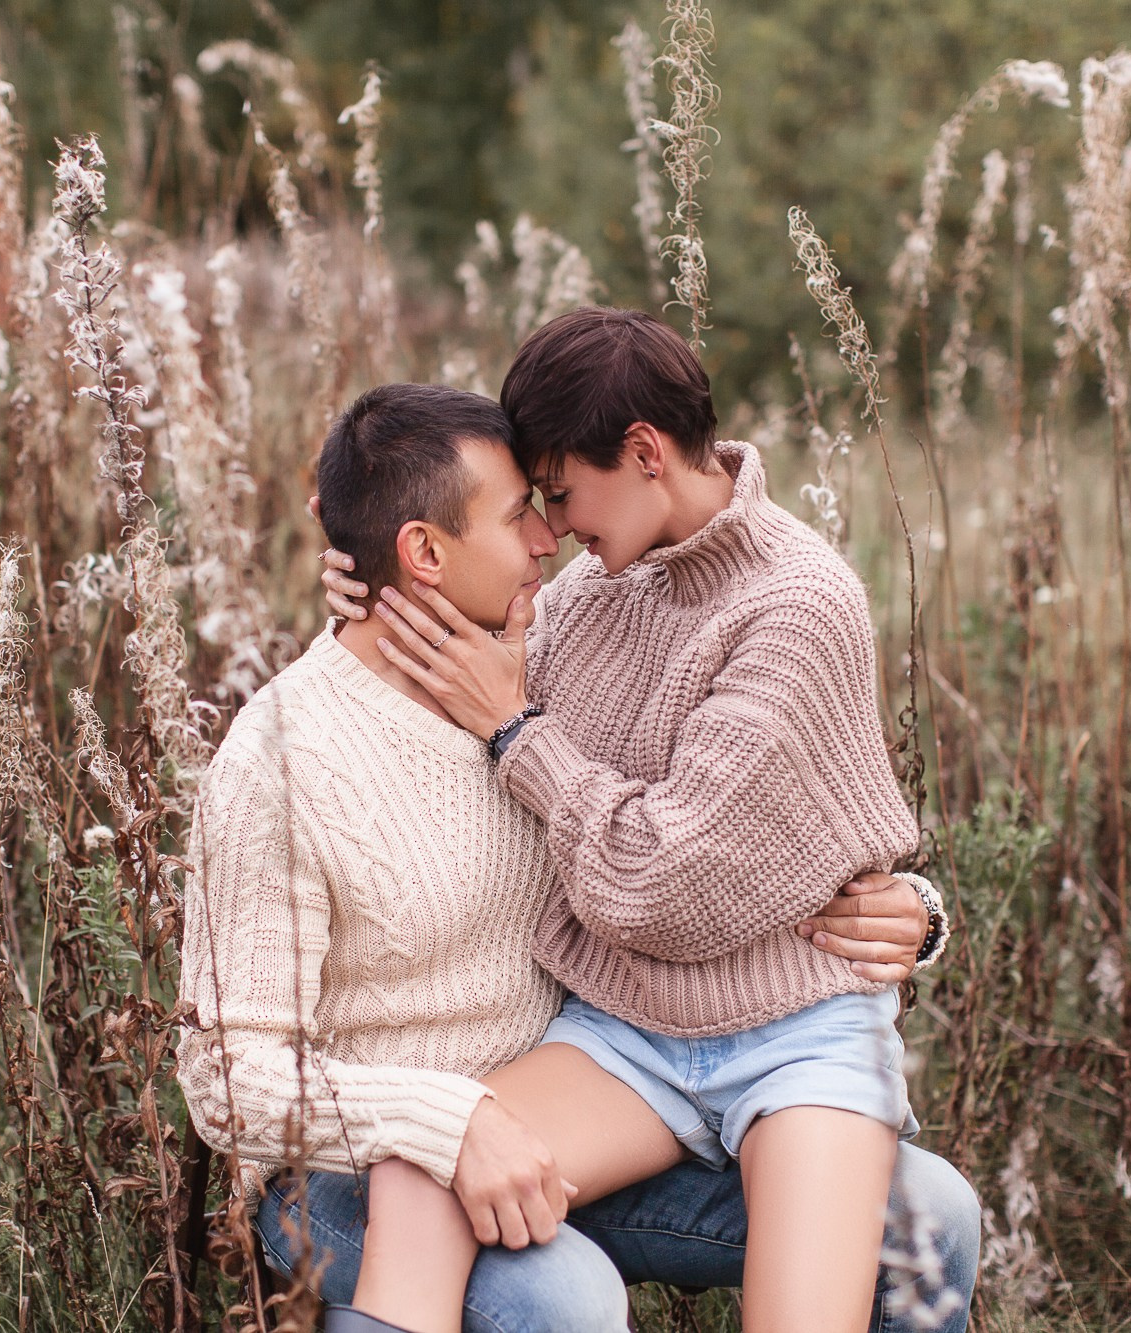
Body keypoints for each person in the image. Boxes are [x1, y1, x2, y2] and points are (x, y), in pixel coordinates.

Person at [179, 379, 976, 1333]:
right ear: (425, 551)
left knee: (929, 1217)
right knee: (562, 1297)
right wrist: (447, 1120)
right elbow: (227, 1079)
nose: (548, 542)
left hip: (582, 1110)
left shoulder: (543, 653)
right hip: (362, 1171)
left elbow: (718, 823)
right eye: (522, 514)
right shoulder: (283, 764)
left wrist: (908, 908)